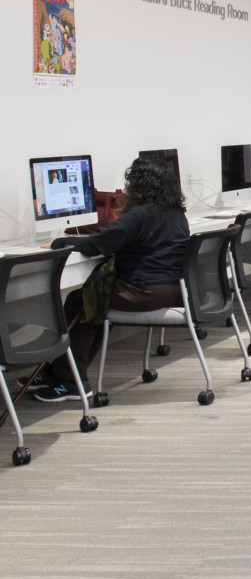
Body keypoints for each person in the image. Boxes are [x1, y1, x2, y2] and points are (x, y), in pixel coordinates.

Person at [28, 157, 190, 403]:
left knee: (82, 301)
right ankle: (58, 373)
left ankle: (71, 382)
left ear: (139, 185)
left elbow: (96, 244)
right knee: (95, 302)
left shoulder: (140, 215)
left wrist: (58, 243)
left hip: (143, 291)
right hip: (175, 290)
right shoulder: (177, 214)